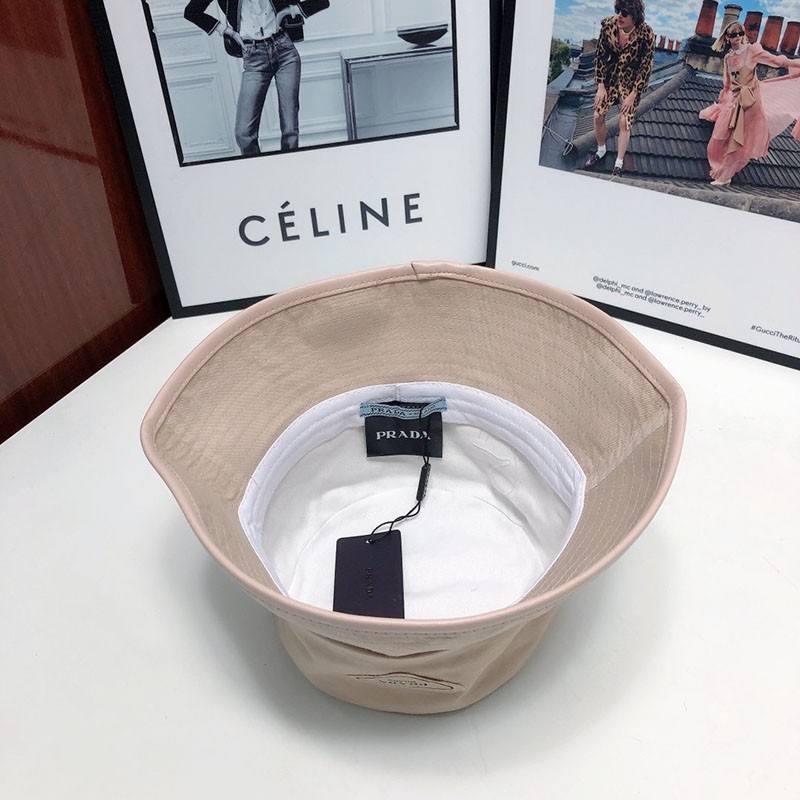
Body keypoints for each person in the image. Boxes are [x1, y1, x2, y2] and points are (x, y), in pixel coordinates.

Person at [184, 1, 329, 155]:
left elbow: (322, 2)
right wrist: (226, 31)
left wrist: (285, 12)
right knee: (244, 133)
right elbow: (191, 11)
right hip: (254, 58)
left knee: (290, 129)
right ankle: (256, 167)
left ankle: (289, 165)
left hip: (285, 52)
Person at [699, 21, 800, 186]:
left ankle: (724, 176)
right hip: (734, 99)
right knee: (719, 136)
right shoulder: (728, 58)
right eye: (733, 34)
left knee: (737, 139)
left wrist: (796, 64)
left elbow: (777, 61)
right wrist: (723, 101)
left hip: (749, 102)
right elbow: (727, 83)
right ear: (727, 37)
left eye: (740, 33)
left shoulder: (752, 50)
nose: (737, 37)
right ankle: (721, 170)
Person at [584, 0, 655, 177]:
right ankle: (601, 150)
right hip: (610, 76)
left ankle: (618, 163)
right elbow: (600, 56)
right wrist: (601, 86)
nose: (619, 16)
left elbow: (646, 67)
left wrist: (633, 94)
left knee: (624, 121)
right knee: (598, 115)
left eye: (624, 13)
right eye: (618, 11)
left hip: (631, 80)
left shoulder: (646, 34)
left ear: (634, 16)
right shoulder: (608, 26)